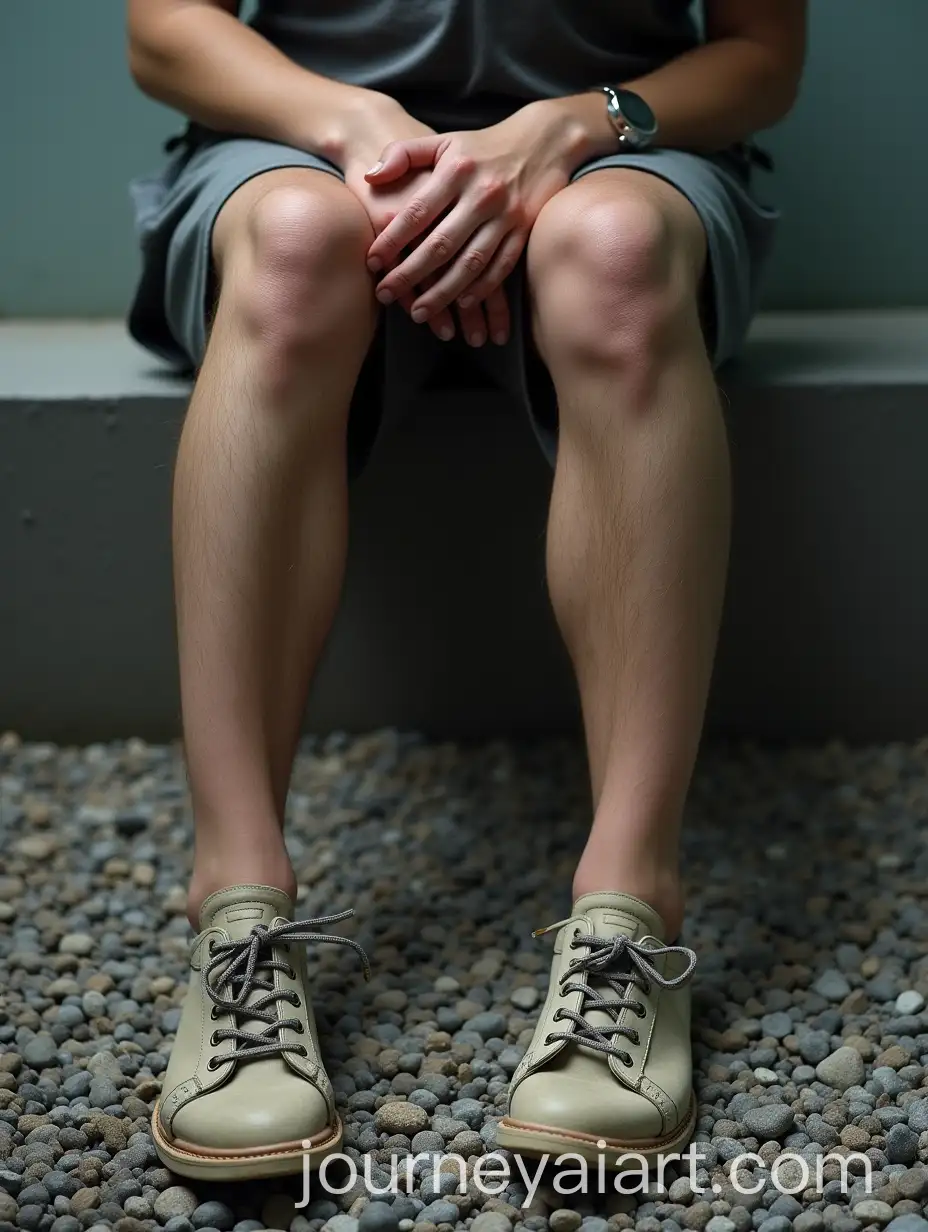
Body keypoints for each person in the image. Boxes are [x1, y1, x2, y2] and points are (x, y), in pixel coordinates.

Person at [127, 0, 807, 1181]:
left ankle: (628, 908)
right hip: (297, 143)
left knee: (615, 253)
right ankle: (236, 904)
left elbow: (761, 57)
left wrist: (576, 127)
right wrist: (353, 128)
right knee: (294, 242)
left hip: (614, 157)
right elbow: (164, 32)